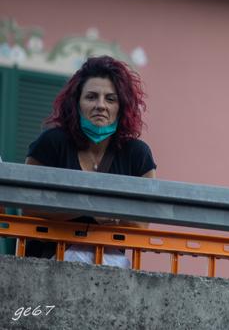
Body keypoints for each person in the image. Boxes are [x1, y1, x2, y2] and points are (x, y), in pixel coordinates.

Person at [25, 55, 156, 267]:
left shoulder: (137, 154)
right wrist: (89, 209)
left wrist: (109, 213)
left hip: (110, 267)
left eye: (110, 99)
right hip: (47, 262)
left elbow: (142, 225)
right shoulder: (51, 142)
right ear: (76, 104)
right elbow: (28, 207)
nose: (100, 105)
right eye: (91, 97)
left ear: (122, 107)